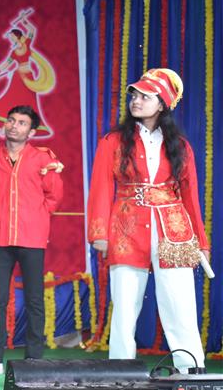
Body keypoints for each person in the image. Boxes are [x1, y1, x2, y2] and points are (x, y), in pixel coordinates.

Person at [87, 68, 209, 373]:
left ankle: (190, 370)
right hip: (126, 230)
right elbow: (101, 188)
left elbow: (190, 196)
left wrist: (201, 242)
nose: (136, 101)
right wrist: (99, 232)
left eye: (145, 96)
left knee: (180, 304)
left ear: (162, 103)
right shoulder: (113, 141)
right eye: (134, 95)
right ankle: (122, 372)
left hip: (174, 231)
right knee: (125, 306)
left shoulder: (179, 145)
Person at [0, 105, 63, 375]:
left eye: (22, 123)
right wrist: (1, 213)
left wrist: (36, 216)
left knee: (34, 299)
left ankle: (33, 360)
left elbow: (54, 196)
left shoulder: (42, 158)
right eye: (11, 120)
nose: (14, 126)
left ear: (31, 132)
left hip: (32, 237)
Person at [0, 12, 55, 138]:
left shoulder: (26, 44)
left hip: (28, 77)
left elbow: (32, 30)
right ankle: (7, 124)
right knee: (11, 101)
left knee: (28, 102)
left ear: (16, 36)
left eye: (12, 37)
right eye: (10, 38)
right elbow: (6, 64)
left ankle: (26, 127)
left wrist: (24, 20)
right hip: (17, 77)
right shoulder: (14, 52)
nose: (11, 39)